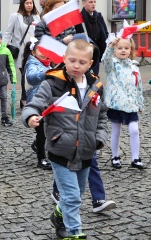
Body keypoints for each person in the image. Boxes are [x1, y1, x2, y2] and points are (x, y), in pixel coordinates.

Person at [22, 39, 107, 240]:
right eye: (72, 60)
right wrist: (30, 117)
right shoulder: (53, 83)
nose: (76, 66)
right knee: (71, 196)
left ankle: (59, 214)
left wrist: (99, 139)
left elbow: (102, 115)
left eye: (82, 62)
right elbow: (35, 104)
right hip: (60, 150)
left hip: (86, 150)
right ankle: (74, 233)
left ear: (90, 63)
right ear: (64, 59)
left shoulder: (96, 85)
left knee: (77, 194)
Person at [102, 36, 146, 169]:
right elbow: (105, 60)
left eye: (126, 48)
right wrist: (110, 47)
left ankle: (135, 158)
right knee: (116, 131)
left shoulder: (134, 66)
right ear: (115, 49)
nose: (123, 50)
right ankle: (115, 156)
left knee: (134, 130)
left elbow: (138, 87)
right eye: (119, 48)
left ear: (131, 49)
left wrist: (140, 103)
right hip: (116, 104)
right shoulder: (112, 65)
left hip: (131, 104)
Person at [3, 0, 41, 108]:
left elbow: (39, 33)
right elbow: (8, 33)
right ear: (22, 4)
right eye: (27, 3)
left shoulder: (37, 17)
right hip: (21, 51)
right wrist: (3, 49)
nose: (29, 5)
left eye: (31, 3)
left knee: (31, 74)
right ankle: (24, 99)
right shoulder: (15, 16)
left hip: (33, 50)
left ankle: (29, 98)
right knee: (24, 74)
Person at [22, 38, 52, 170]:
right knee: (42, 130)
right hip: (36, 103)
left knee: (47, 129)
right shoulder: (32, 63)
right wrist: (48, 73)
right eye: (40, 50)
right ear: (33, 52)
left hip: (47, 102)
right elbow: (32, 77)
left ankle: (37, 145)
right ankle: (41, 158)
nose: (44, 53)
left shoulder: (47, 64)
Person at [75, 0, 109, 75]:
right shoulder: (79, 17)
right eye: (90, 2)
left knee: (94, 74)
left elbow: (105, 32)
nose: (93, 4)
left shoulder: (98, 16)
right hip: (84, 50)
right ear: (84, 3)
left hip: (97, 50)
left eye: (94, 2)